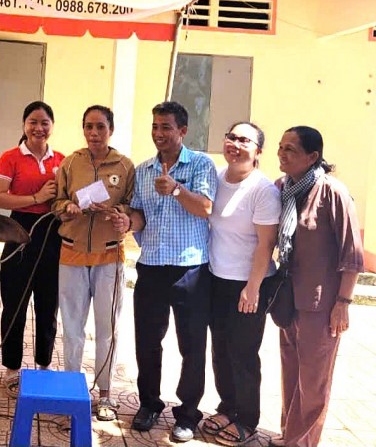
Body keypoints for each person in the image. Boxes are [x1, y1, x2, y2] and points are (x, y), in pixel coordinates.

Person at [111, 101, 218, 442]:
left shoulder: (201, 164)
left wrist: (175, 189)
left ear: (183, 131)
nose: (159, 133)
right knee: (147, 341)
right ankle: (149, 403)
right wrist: (129, 221)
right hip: (152, 267)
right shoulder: (143, 170)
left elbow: (204, 208)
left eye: (166, 127)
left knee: (191, 345)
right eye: (155, 126)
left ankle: (187, 414)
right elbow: (141, 215)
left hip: (190, 269)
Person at [270, 126, 364, 447]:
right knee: (291, 373)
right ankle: (290, 434)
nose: (281, 154)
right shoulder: (282, 188)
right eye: (280, 147)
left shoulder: (333, 193)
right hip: (288, 300)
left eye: (290, 149)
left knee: (313, 381)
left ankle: (302, 442)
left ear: (312, 157)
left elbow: (352, 254)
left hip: (321, 305)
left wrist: (343, 303)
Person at [51, 105, 134, 422]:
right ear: (82, 129)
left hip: (109, 255)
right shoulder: (70, 163)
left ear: (110, 129)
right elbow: (57, 202)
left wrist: (119, 214)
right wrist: (68, 206)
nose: (94, 133)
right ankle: (72, 390)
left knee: (107, 328)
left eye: (100, 127)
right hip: (71, 253)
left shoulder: (124, 166)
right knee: (72, 327)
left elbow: (131, 205)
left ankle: (106, 395)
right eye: (88, 127)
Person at [201, 122, 281, 446]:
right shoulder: (217, 178)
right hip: (216, 279)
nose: (235, 144)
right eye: (231, 136)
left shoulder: (263, 190)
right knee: (220, 350)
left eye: (245, 140)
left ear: (258, 151)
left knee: (244, 354)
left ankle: (247, 419)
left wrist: (253, 287)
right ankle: (227, 406)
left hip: (248, 284)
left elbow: (265, 245)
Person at [0, 101, 65, 398]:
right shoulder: (10, 158)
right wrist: (35, 196)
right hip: (18, 233)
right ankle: (12, 370)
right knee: (15, 306)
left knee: (48, 308)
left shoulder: (62, 159)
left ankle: (44, 366)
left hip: (52, 236)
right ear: (24, 125)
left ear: (52, 126)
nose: (39, 128)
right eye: (33, 121)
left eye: (45, 122)